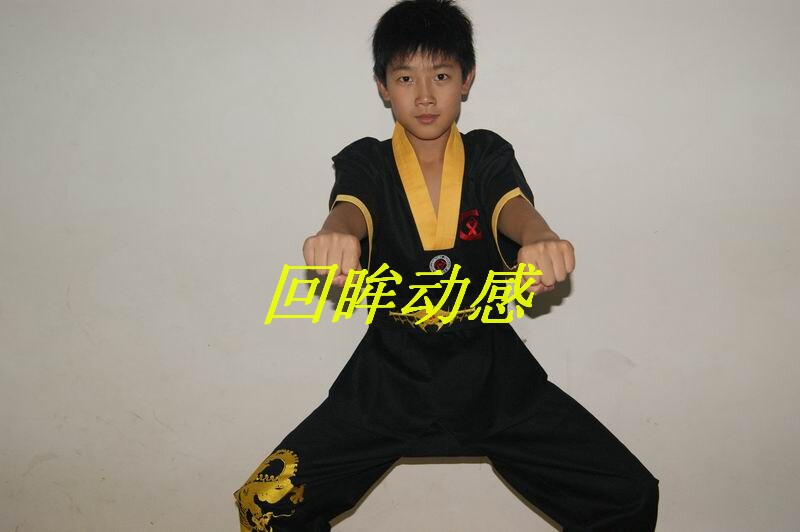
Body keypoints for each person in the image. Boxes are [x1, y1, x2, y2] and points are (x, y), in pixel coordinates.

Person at [233, 1, 660, 530]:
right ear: (382, 86)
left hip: (491, 377)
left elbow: (511, 205)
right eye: (405, 78)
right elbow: (351, 206)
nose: (424, 95)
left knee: (628, 494)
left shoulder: (487, 156)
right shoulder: (367, 161)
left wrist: (541, 237)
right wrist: (335, 233)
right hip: (390, 378)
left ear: (467, 79)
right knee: (263, 503)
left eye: (440, 75)